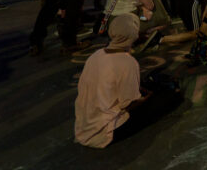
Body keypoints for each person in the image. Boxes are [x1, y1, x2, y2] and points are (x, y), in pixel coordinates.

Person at [75, 14, 183, 148]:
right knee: (171, 96)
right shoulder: (127, 62)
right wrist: (147, 97)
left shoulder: (96, 55)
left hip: (85, 126)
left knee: (146, 86)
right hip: (106, 131)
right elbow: (128, 103)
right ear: (133, 34)